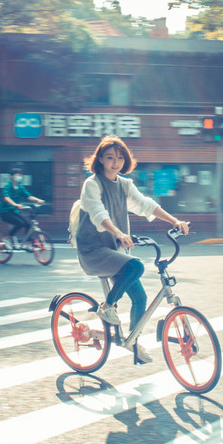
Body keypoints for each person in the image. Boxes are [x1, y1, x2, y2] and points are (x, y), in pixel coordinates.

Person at [75, 135, 189, 364]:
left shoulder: (124, 184)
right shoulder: (92, 184)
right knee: (136, 265)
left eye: (119, 158)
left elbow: (146, 204)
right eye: (109, 158)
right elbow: (98, 213)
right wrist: (118, 233)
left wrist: (174, 221)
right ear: (101, 160)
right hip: (94, 250)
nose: (115, 162)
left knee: (140, 297)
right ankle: (107, 306)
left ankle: (133, 343)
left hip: (115, 253)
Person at [0, 170, 45, 246]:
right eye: (17, 175)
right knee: (20, 223)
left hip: (14, 212)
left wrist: (38, 200)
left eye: (20, 175)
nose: (19, 177)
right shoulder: (7, 186)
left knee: (28, 224)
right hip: (5, 212)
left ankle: (27, 242)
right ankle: (7, 239)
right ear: (11, 176)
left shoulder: (20, 188)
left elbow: (28, 196)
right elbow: (6, 198)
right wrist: (15, 204)